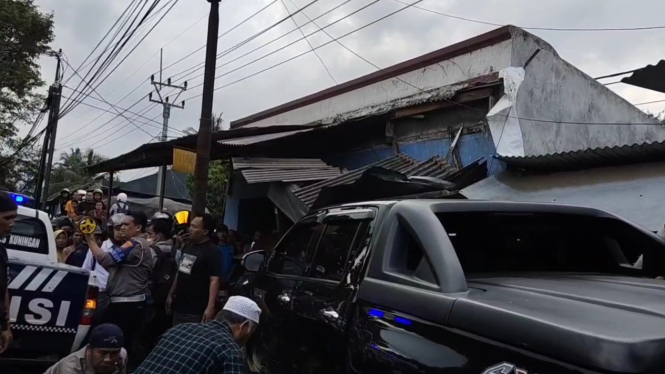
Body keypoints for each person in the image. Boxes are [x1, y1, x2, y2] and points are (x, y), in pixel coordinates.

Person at [85, 211, 153, 368]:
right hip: (126, 301)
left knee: (120, 343)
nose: (122, 228)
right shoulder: (133, 244)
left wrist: (89, 238)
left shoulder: (135, 244)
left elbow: (105, 259)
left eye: (126, 225)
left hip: (128, 303)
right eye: (120, 225)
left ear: (138, 227)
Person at [134, 296, 261, 374]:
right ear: (243, 326)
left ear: (219, 314)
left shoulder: (179, 328)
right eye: (251, 331)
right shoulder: (229, 350)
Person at [167, 214, 222, 325]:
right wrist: (170, 294)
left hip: (197, 310)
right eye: (190, 226)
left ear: (205, 231)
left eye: (194, 227)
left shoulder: (212, 251)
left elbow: (214, 280)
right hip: (180, 306)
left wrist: (210, 307)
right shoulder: (188, 247)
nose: (190, 229)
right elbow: (181, 272)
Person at [82, 214, 126, 328]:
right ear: (110, 229)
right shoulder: (99, 247)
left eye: (124, 228)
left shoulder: (129, 248)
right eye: (117, 228)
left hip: (119, 296)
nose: (121, 232)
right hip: (100, 294)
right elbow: (86, 270)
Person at [143, 215, 177, 349]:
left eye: (151, 233)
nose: (148, 236)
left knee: (147, 332)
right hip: (169, 299)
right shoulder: (177, 252)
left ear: (159, 235)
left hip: (151, 297)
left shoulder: (151, 251)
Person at [44, 323, 128, 374]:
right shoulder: (70, 367)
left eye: (114, 353)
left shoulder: (122, 355)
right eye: (102, 353)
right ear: (89, 350)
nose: (108, 359)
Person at [0, 192, 17, 354]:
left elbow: (3, 289)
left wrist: (6, 326)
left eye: (14, 218)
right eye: (7, 218)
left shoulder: (2, 251)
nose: (12, 223)